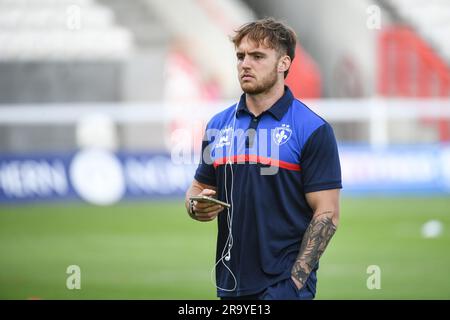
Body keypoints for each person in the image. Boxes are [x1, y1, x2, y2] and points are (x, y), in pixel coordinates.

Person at [185, 17, 342, 300]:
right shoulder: (218, 125)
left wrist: (295, 282)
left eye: (257, 56)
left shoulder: (312, 129)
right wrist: (195, 206)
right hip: (229, 283)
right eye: (241, 56)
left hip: (284, 287)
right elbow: (197, 189)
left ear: (283, 63)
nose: (245, 63)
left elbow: (327, 213)